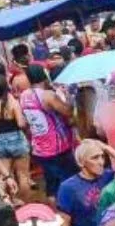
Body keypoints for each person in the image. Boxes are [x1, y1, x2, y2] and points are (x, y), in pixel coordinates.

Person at [21, 64, 78, 197]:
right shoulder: (47, 95)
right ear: (43, 75)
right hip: (58, 146)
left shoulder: (24, 95)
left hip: (40, 147)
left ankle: (54, 213)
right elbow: (67, 112)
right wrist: (69, 97)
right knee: (69, 181)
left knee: (51, 185)